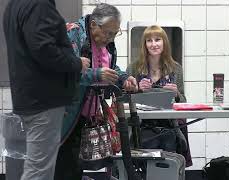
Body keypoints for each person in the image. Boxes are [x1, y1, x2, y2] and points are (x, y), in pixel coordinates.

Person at [2, 0, 90, 179]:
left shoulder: (15, 5)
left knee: (37, 165)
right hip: (44, 100)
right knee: (39, 169)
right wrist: (76, 63)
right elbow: (44, 49)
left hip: (29, 96)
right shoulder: (39, 5)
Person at [54, 3, 138, 180]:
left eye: (115, 33)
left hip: (87, 113)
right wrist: (96, 75)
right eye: (108, 33)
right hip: (67, 112)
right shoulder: (73, 33)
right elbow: (64, 72)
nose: (111, 38)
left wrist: (124, 78)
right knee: (64, 164)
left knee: (76, 165)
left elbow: (111, 66)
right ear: (93, 24)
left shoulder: (105, 42)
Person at [127, 25, 192, 166]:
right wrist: (137, 90)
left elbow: (183, 101)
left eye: (158, 39)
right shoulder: (133, 68)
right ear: (144, 45)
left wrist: (176, 94)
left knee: (168, 147)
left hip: (169, 125)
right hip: (141, 126)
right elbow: (124, 100)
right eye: (149, 41)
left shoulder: (175, 68)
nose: (154, 44)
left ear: (164, 43)